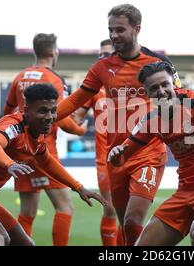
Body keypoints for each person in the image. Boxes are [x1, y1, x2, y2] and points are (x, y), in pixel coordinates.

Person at [56, 4, 181, 245]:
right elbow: (74, 102)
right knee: (125, 227)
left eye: (120, 30)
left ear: (137, 29)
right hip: (117, 156)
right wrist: (43, 117)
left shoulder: (158, 62)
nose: (114, 35)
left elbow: (180, 99)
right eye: (110, 30)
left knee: (134, 220)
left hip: (148, 153)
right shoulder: (102, 68)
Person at [0, 84, 106, 246]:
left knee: (25, 243)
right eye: (42, 111)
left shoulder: (37, 134)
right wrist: (10, 164)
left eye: (53, 111)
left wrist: (78, 187)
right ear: (26, 111)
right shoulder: (14, 126)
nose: (49, 117)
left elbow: (46, 161)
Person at [108, 62, 194, 246]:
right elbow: (122, 156)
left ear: (173, 83)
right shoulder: (152, 120)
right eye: (154, 88)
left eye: (164, 85)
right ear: (147, 94)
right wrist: (116, 154)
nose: (161, 91)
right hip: (186, 191)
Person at [3, 33, 87, 246]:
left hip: (21, 151)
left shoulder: (20, 77)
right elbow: (59, 116)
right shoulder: (54, 79)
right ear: (53, 52)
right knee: (65, 206)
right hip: (43, 150)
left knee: (28, 212)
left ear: (35, 51)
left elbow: (7, 112)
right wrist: (79, 130)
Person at [73, 39, 119, 246]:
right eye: (100, 55)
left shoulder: (132, 84)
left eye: (106, 54)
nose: (102, 58)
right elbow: (77, 117)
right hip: (104, 159)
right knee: (109, 208)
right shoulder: (95, 87)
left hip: (132, 155)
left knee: (131, 213)